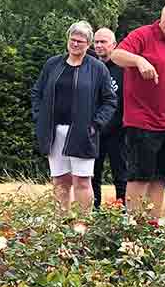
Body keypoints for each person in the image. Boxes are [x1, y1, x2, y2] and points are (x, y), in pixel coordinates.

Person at [110, 0, 165, 219]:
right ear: (163, 12)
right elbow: (116, 55)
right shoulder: (142, 35)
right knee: (139, 177)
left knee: (161, 178)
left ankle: (151, 226)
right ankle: (133, 229)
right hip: (142, 121)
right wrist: (139, 61)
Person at [30, 21, 119, 214]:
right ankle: (61, 226)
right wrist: (39, 116)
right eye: (73, 39)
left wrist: (95, 124)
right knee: (60, 181)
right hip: (54, 132)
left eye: (80, 41)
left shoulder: (97, 68)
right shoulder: (53, 64)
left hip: (82, 133)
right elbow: (37, 92)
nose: (75, 44)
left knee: (82, 181)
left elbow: (110, 100)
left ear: (88, 45)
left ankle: (83, 226)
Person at [89, 27, 127, 210]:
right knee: (92, 175)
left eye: (103, 42)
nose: (99, 45)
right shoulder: (89, 67)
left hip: (118, 129)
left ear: (114, 45)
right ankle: (93, 211)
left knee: (121, 173)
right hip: (94, 130)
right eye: (96, 42)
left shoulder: (123, 69)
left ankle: (122, 211)